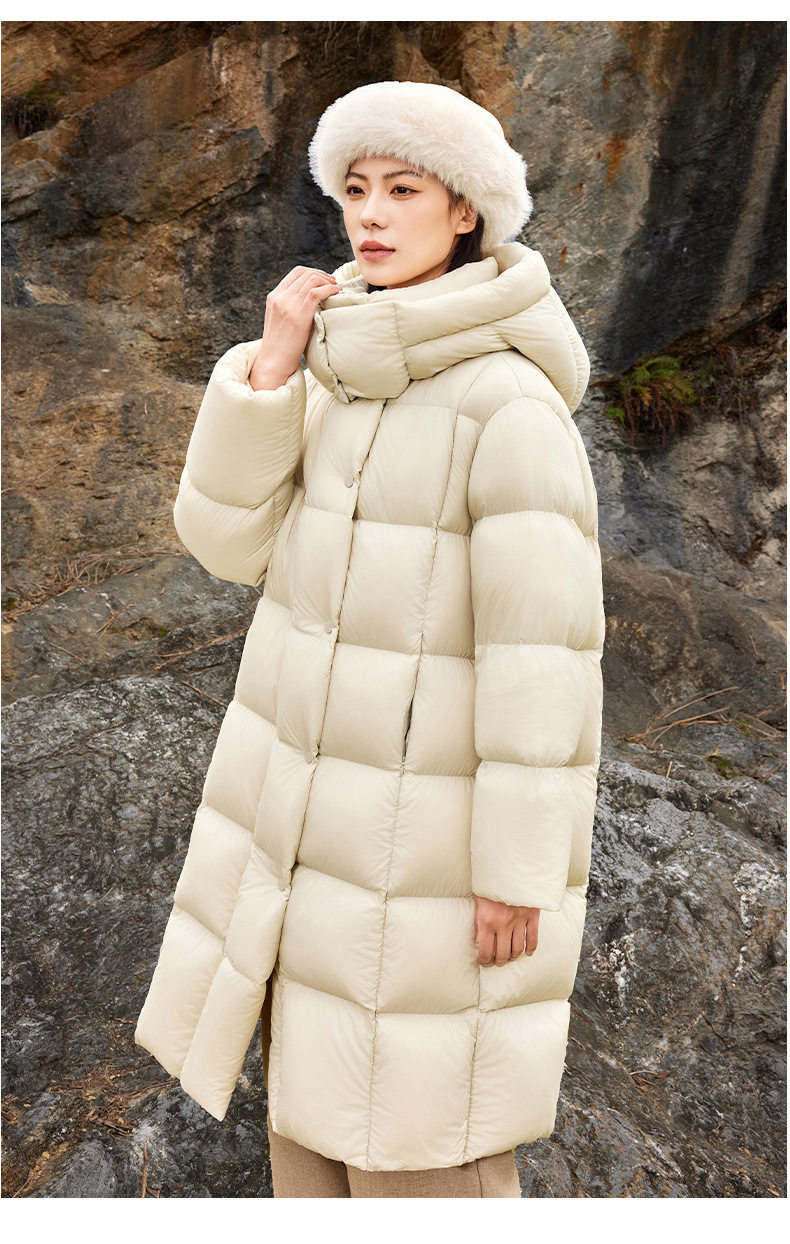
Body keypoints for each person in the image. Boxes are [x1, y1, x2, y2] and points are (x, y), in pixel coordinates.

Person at [135, 80, 605, 1199]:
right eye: (355, 191)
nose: (372, 216)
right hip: (309, 841)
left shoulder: (506, 404)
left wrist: (517, 872)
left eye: (404, 190)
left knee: (425, 1153)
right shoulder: (338, 371)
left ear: (465, 212)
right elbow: (224, 543)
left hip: (435, 858)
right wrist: (270, 370)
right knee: (314, 1142)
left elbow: (541, 659)